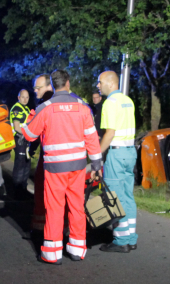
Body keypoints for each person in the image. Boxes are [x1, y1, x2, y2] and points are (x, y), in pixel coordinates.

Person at [20, 69, 102, 264]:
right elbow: (91, 137)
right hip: (78, 166)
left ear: (53, 85)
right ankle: (77, 248)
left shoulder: (45, 108)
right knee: (76, 206)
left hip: (54, 168)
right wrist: (97, 163)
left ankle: (52, 252)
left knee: (54, 207)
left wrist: (24, 125)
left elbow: (30, 135)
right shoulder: (82, 107)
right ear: (68, 83)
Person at [97, 70, 138, 252]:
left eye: (100, 83)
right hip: (130, 152)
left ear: (111, 84)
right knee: (128, 196)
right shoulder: (127, 101)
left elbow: (110, 133)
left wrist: (96, 154)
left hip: (117, 153)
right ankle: (131, 237)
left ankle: (121, 242)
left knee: (115, 197)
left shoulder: (110, 103)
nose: (98, 86)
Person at [28, 74, 53, 238]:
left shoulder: (44, 105)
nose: (35, 90)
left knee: (44, 193)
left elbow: (32, 132)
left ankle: (42, 230)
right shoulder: (73, 102)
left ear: (49, 86)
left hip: (50, 156)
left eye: (38, 87)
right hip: (72, 158)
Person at [10, 89, 32, 199]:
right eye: (23, 97)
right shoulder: (17, 108)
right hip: (19, 139)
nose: (25, 99)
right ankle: (17, 190)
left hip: (25, 139)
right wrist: (28, 134)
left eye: (27, 97)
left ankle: (23, 188)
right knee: (20, 165)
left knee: (26, 164)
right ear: (18, 97)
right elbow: (17, 126)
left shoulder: (26, 108)